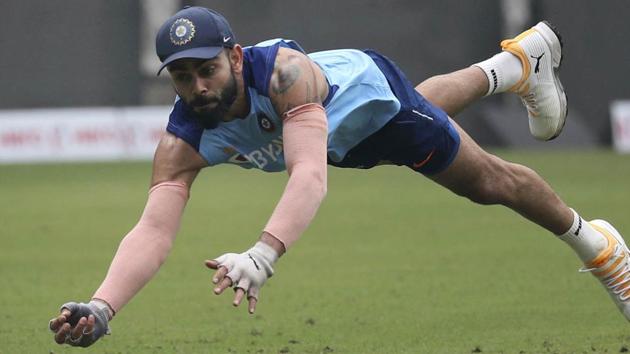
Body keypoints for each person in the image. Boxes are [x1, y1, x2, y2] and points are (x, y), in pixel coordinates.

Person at [49, 6, 629, 347]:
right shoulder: (182, 140)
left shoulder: (283, 76)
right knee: (428, 103)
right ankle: (516, 64)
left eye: (207, 69)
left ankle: (600, 247)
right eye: (182, 78)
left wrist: (263, 253)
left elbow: (307, 175)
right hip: (340, 137)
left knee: (487, 183)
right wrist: (102, 307)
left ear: (235, 55)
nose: (198, 87)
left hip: (367, 104)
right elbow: (152, 230)